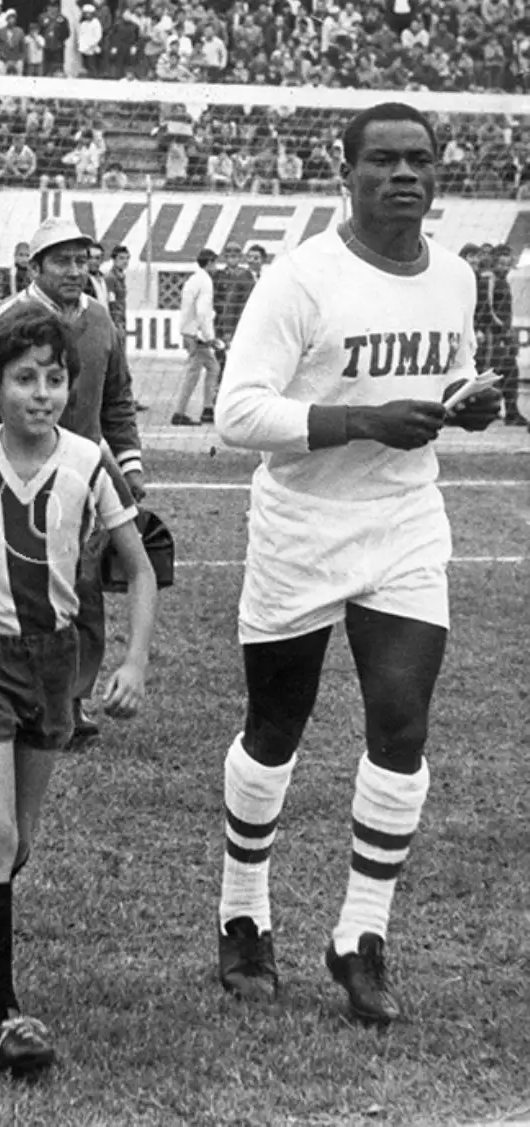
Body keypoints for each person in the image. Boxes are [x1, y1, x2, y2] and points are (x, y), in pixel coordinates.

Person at [212, 102, 501, 1027]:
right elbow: (238, 413)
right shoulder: (300, 280)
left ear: (438, 175)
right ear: (347, 172)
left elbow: (446, 377)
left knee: (403, 726)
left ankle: (360, 934)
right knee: (276, 729)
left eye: (418, 160)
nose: (403, 175)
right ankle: (243, 910)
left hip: (405, 520)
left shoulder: (453, 277)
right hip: (303, 522)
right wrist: (360, 421)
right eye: (383, 161)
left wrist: (465, 406)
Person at [0, 304, 156, 1078]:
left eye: (55, 378)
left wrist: (133, 660)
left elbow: (141, 565)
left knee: (17, 843)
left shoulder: (90, 463)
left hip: (53, 661)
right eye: (24, 378)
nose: (43, 393)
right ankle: (5, 1017)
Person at [0, 218, 145, 747]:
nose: (76, 271)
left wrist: (130, 466)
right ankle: (8, 695)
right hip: (16, 473)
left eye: (82, 260)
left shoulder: (100, 319)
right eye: (62, 261)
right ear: (35, 267)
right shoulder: (8, 317)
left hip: (85, 473)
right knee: (18, 588)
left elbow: (117, 395)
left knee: (84, 588)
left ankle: (71, 698)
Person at [173, 249, 219, 426]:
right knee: (194, 372)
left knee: (212, 368)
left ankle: (207, 408)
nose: (216, 267)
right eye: (214, 263)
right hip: (197, 333)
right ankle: (180, 412)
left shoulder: (194, 279)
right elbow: (202, 311)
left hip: (190, 330)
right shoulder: (205, 282)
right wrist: (209, 336)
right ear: (209, 263)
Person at [479, 244, 524, 425]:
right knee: (491, 373)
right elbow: (487, 309)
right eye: (501, 264)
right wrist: (501, 331)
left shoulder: (504, 281)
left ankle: (511, 412)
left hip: (504, 335)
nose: (504, 268)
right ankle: (485, 412)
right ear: (494, 263)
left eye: (507, 264)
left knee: (510, 372)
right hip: (493, 336)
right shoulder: (489, 280)